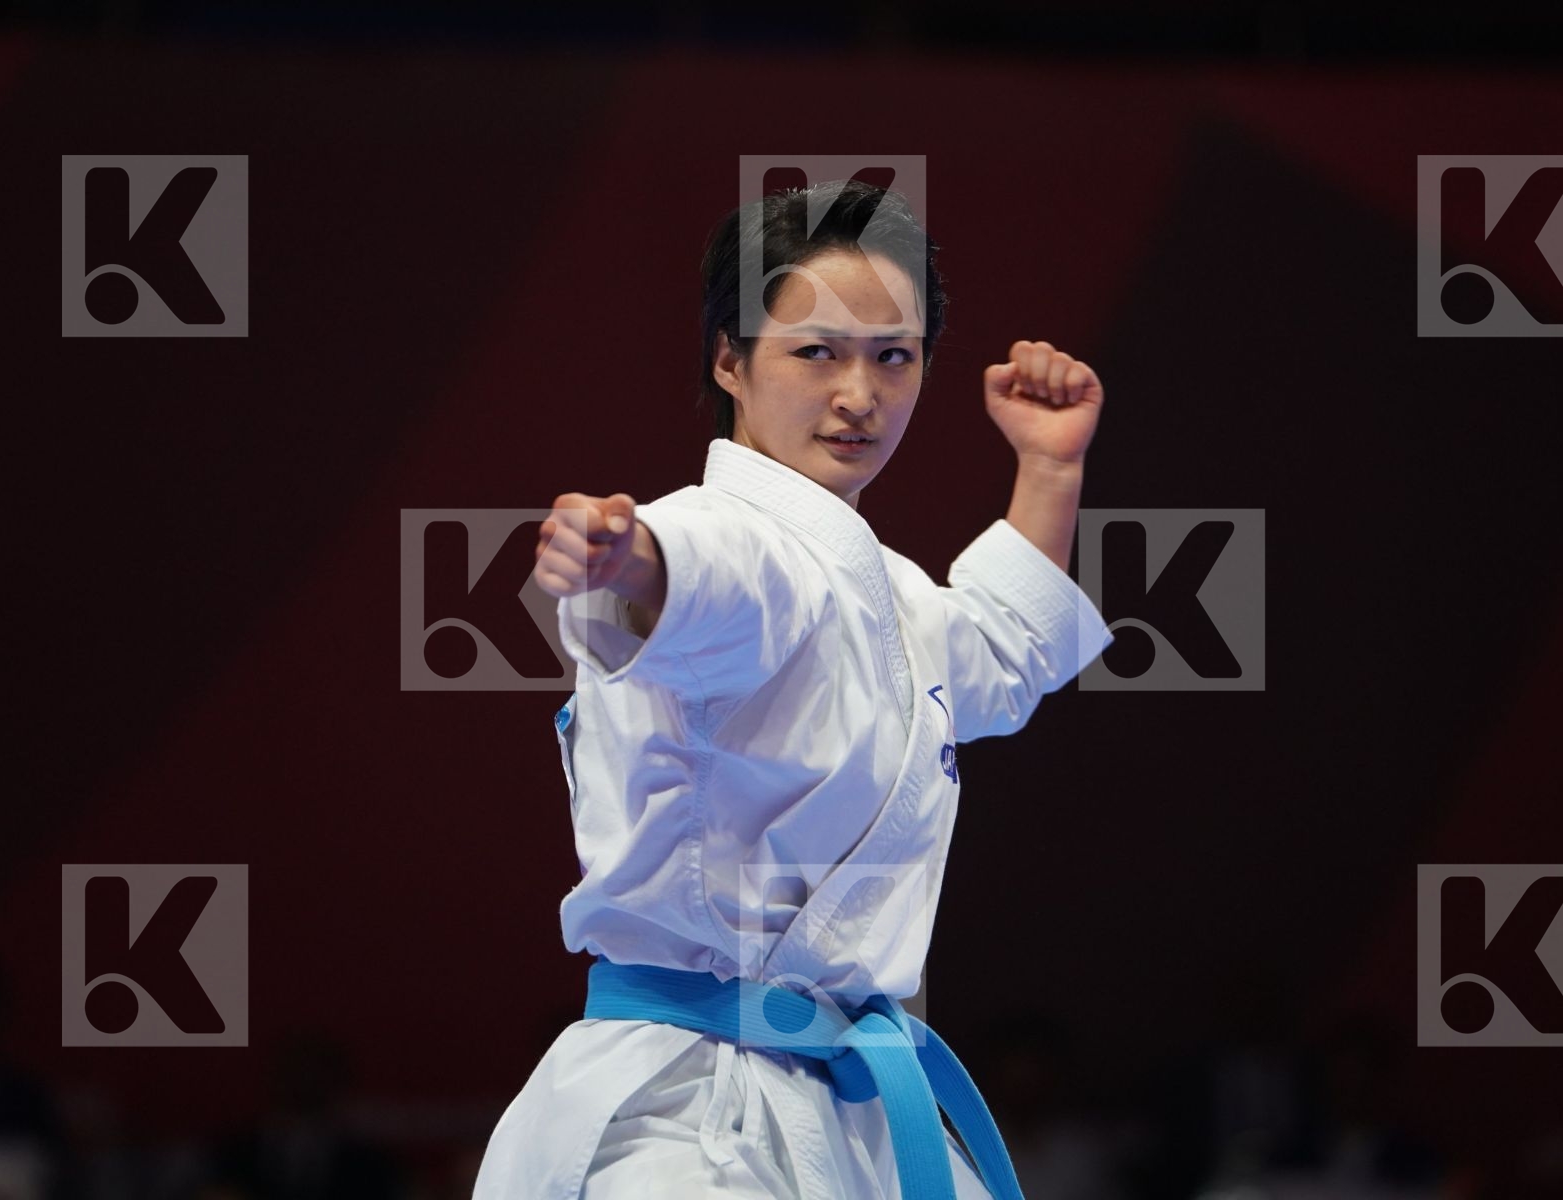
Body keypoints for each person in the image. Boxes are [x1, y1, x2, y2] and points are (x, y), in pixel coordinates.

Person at [471, 178, 1113, 1200]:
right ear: (731, 357)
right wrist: (624, 556)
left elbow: (1002, 653)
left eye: (892, 357)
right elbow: (700, 573)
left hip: (844, 1104)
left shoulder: (894, 596)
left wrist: (1048, 469)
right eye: (816, 351)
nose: (859, 395)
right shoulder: (728, 538)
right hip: (684, 1118)